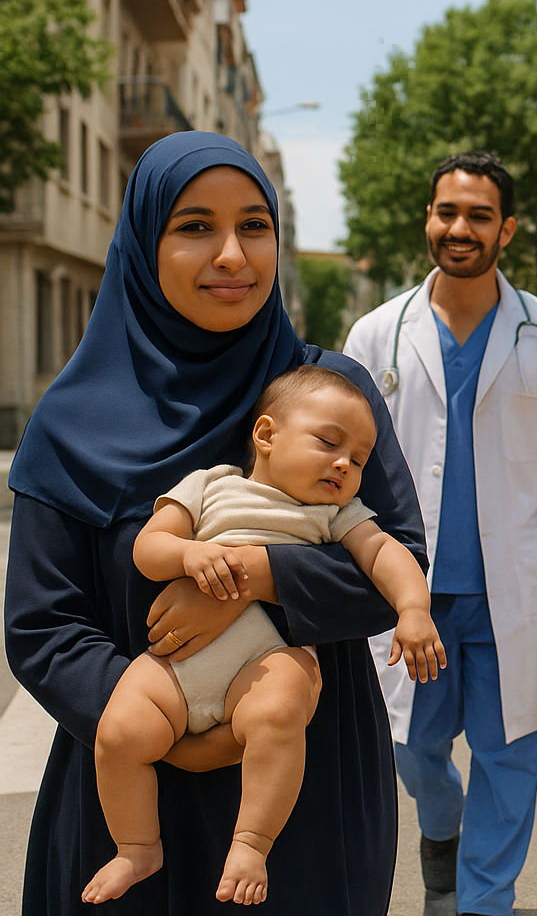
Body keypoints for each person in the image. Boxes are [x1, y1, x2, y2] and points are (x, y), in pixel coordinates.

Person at [5, 131, 427, 916]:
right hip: (129, 787)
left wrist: (253, 579)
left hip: (305, 780)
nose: (233, 254)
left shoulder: (327, 392)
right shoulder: (70, 421)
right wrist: (166, 725)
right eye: (195, 226)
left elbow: (397, 561)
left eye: (255, 226)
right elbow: (42, 626)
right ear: (143, 242)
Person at [343, 150, 537, 916]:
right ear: (429, 219)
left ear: (507, 230)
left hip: (511, 596)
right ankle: (442, 830)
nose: (460, 228)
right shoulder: (376, 335)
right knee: (412, 748)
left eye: (479, 216)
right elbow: (345, 462)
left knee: (509, 753)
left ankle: (484, 901)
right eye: (447, 212)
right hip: (410, 594)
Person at [85, 365, 446, 905]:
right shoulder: (211, 484)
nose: (344, 464)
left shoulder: (334, 513)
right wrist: (188, 553)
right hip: (181, 664)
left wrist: (414, 608)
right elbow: (149, 547)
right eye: (328, 443)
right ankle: (137, 847)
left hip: (266, 659)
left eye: (359, 459)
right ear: (267, 435)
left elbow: (386, 553)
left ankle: (251, 844)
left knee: (280, 709)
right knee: (119, 730)